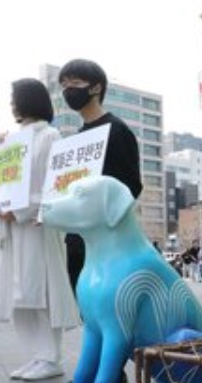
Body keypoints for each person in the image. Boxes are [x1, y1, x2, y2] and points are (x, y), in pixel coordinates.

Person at [0, 78, 80, 381]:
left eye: (15, 97)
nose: (11, 103)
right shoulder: (13, 139)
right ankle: (37, 354)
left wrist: (19, 210)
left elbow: (53, 184)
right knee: (19, 295)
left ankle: (50, 357)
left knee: (39, 290)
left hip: (36, 225)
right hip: (13, 226)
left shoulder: (50, 136)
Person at [58, 58, 142, 290]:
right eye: (64, 85)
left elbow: (131, 186)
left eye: (75, 82)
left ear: (96, 87)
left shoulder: (116, 131)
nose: (68, 90)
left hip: (108, 238)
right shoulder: (76, 140)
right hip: (78, 238)